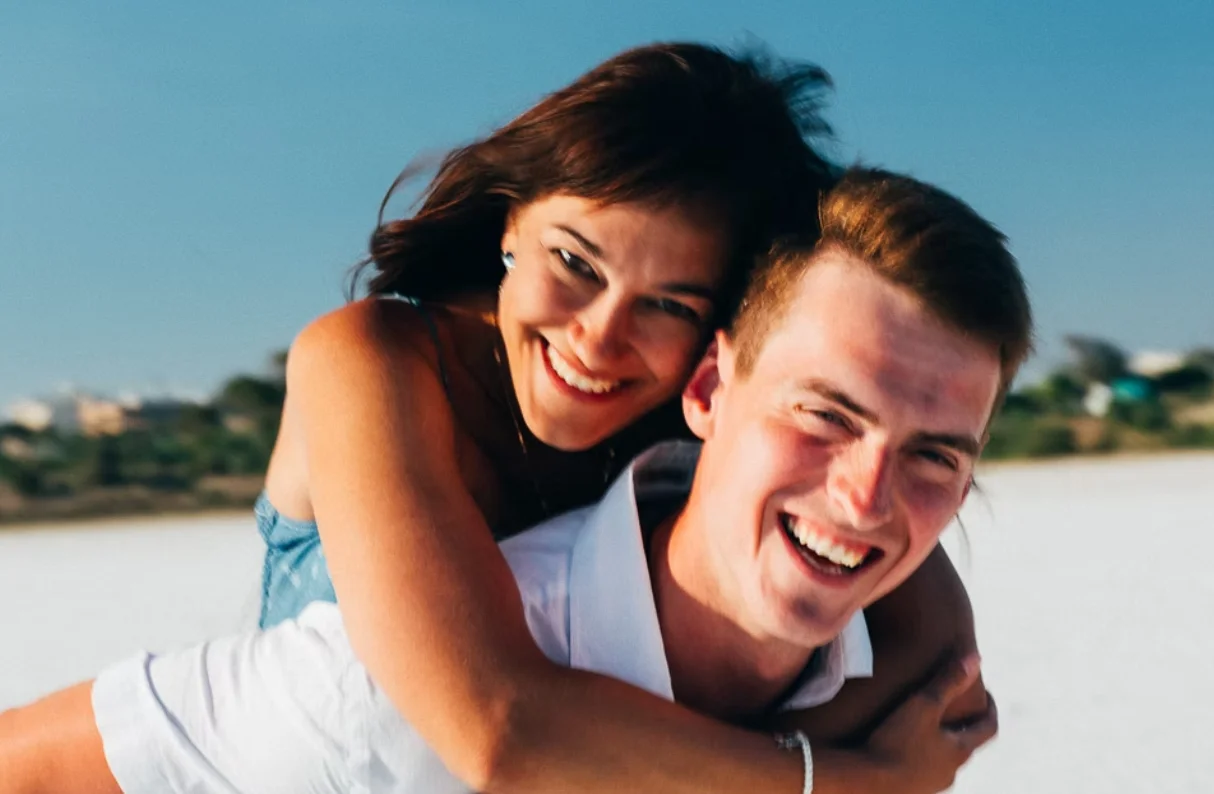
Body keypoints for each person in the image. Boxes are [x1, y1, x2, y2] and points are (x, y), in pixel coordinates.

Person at [0, 47, 988, 791]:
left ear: (717, 352)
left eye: (669, 303)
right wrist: (848, 782)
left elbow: (929, 633)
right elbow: (491, 724)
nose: (599, 339)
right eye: (574, 262)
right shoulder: (375, 358)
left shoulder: (717, 427)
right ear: (509, 225)